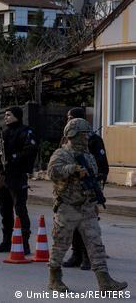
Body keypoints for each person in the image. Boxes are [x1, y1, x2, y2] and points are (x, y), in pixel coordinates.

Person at [46, 118, 127, 292]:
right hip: (67, 206)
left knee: (96, 244)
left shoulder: (89, 156)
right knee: (61, 244)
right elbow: (52, 172)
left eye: (87, 134)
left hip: (87, 207)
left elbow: (94, 180)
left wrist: (96, 200)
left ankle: (105, 281)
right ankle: (54, 278)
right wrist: (73, 169)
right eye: (84, 134)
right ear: (73, 135)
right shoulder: (62, 154)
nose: (86, 137)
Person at [61, 108, 109, 271]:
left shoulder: (93, 139)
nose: (67, 121)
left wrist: (95, 183)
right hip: (70, 188)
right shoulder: (68, 138)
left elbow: (102, 165)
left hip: (88, 187)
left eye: (70, 118)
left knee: (88, 224)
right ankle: (76, 255)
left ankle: (88, 257)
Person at [0, 107, 37, 255]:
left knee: (20, 210)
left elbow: (29, 150)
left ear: (17, 116)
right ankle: (6, 241)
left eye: (8, 115)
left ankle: (24, 243)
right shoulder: (4, 132)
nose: (5, 117)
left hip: (17, 176)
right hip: (3, 176)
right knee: (5, 210)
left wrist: (13, 158)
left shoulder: (26, 131)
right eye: (4, 115)